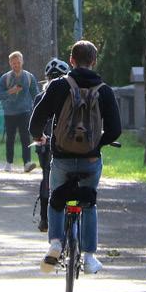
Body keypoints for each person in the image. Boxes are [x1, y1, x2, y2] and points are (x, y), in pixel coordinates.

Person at [29, 40, 121, 275]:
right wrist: (96, 143)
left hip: (61, 157)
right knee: (88, 203)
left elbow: (37, 118)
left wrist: (39, 136)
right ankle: (89, 256)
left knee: (56, 199)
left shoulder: (59, 86)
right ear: (94, 62)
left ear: (71, 60)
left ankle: (56, 243)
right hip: (90, 160)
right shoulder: (104, 91)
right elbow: (115, 130)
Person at [31, 57, 72, 232]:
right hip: (68, 144)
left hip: (47, 144)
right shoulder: (73, 94)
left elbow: (35, 122)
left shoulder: (41, 96)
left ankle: (45, 220)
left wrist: (39, 137)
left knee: (47, 177)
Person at [0, 50, 38, 173]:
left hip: (25, 111)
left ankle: (27, 163)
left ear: (22, 62)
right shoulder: (5, 78)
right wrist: (11, 91)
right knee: (10, 138)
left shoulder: (29, 77)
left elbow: (36, 94)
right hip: (9, 112)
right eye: (14, 63)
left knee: (26, 138)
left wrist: (37, 109)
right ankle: (9, 163)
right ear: (10, 63)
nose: (16, 65)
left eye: (18, 62)